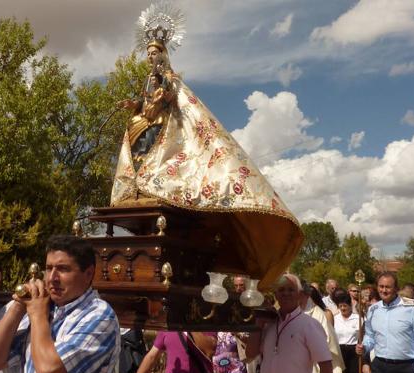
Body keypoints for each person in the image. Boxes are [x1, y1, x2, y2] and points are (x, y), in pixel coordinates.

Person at [111, 2, 303, 289]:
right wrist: (134, 104)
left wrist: (163, 96)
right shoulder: (149, 80)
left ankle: (152, 184)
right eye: (149, 54)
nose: (151, 58)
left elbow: (172, 98)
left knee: (154, 151)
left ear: (163, 55)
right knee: (138, 142)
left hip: (165, 125)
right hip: (147, 122)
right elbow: (145, 102)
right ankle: (140, 187)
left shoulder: (170, 78)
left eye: (155, 54)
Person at [0, 235, 121, 373]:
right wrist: (18, 307)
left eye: (63, 269)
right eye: (48, 268)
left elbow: (47, 370)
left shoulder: (100, 316)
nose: (52, 278)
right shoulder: (41, 306)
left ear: (88, 274)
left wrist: (38, 315)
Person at [246, 274, 333, 373]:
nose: (285, 293)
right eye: (281, 289)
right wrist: (258, 325)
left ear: (299, 295)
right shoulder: (269, 324)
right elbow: (250, 353)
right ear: (276, 295)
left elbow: (325, 364)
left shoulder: (309, 324)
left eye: (291, 290)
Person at [356, 272, 414, 373]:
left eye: (388, 287)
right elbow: (370, 336)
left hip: (406, 368)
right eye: (381, 286)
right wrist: (364, 346)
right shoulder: (373, 310)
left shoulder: (410, 309)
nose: (384, 290)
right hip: (380, 368)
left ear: (396, 288)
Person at [130, 331, 217, 373]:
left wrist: (188, 326)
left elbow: (210, 349)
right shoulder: (167, 327)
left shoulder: (204, 322)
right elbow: (152, 356)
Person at [300, 282, 345, 373]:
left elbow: (328, 341)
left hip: (314, 365)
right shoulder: (285, 314)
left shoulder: (318, 314)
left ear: (306, 295)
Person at [334, 292, 362, 373]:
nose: (343, 308)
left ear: (350, 306)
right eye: (340, 306)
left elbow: (361, 336)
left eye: (345, 306)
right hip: (339, 350)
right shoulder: (335, 318)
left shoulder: (357, 318)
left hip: (353, 351)